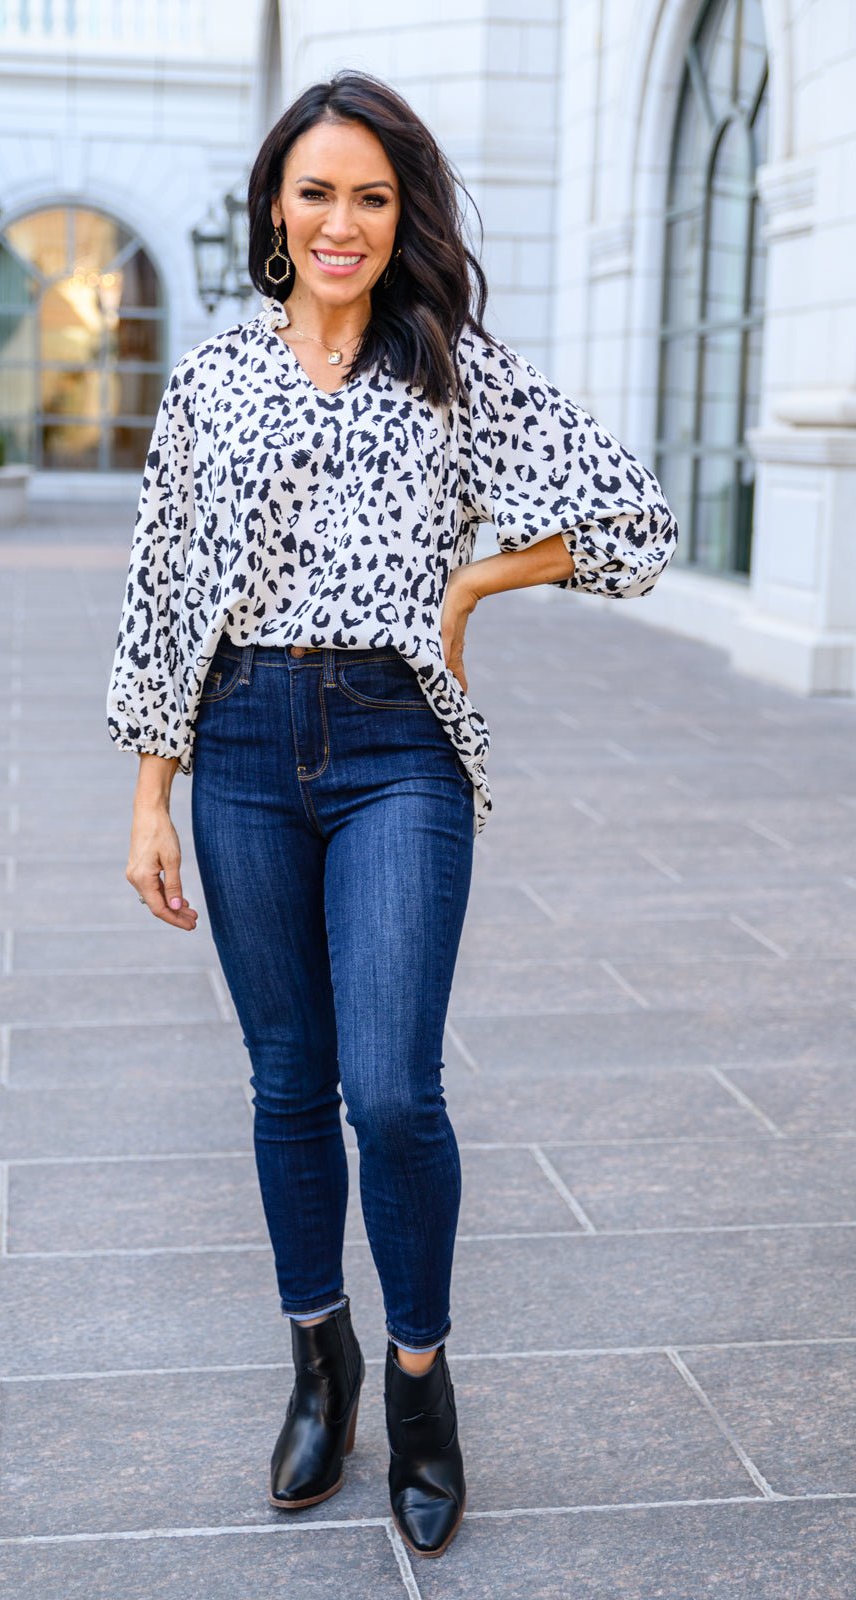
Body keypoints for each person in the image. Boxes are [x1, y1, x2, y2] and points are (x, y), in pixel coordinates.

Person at [108, 70, 678, 1559]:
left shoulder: (452, 367)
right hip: (232, 741)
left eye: (372, 195)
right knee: (286, 1082)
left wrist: (476, 582)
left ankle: (419, 1384)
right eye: (316, 193)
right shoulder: (212, 379)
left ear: (400, 212)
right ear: (274, 212)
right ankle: (321, 1358)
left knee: (391, 1090)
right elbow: (162, 596)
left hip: (394, 746)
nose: (343, 221)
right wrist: (148, 795)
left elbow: (636, 519)